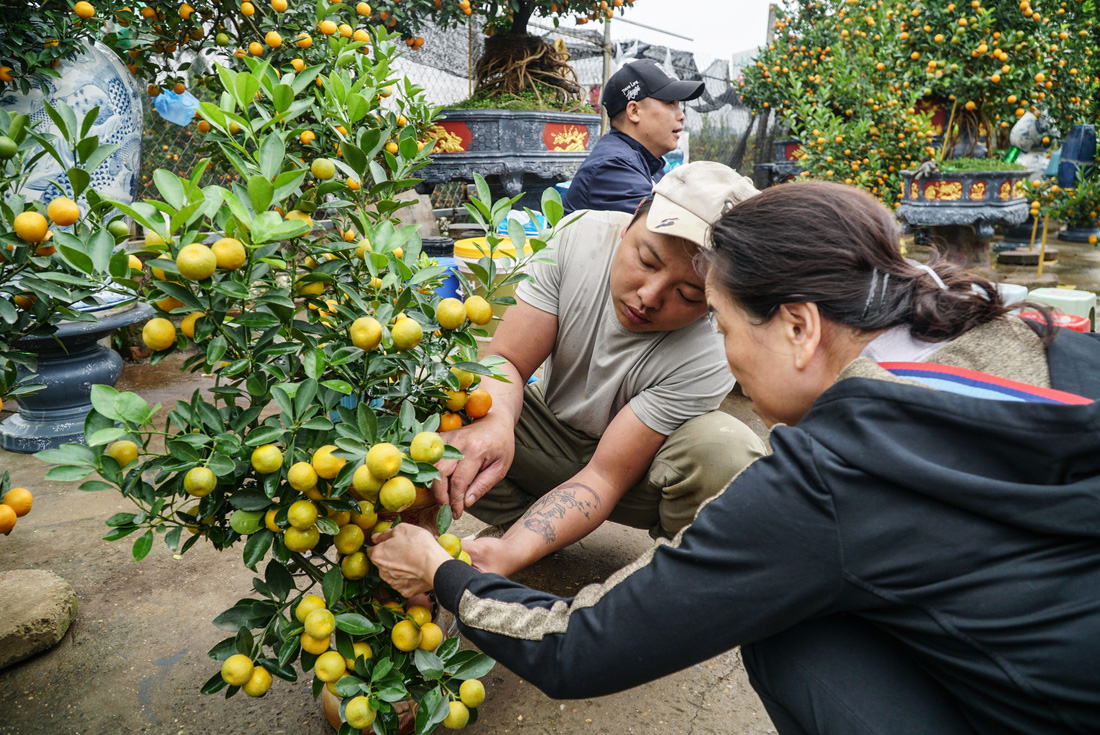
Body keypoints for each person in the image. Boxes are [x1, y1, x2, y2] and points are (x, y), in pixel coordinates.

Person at [370, 181, 1100, 735]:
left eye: (717, 319)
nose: (724, 356)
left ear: (798, 327)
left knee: (786, 630)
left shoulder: (827, 476)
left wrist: (445, 571)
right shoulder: (1047, 342)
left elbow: (582, 645)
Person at [435, 160, 766, 579]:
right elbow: (509, 363)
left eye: (687, 294)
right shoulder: (582, 236)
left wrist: (510, 553)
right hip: (548, 435)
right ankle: (526, 522)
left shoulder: (718, 342)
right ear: (631, 222)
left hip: (637, 477)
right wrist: (497, 423)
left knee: (728, 453)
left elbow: (604, 477)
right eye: (647, 261)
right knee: (440, 397)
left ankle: (679, 576)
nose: (648, 297)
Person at [561, 59, 703, 215]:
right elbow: (670, 227)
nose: (681, 115)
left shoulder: (646, 162)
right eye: (670, 103)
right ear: (634, 111)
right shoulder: (613, 168)